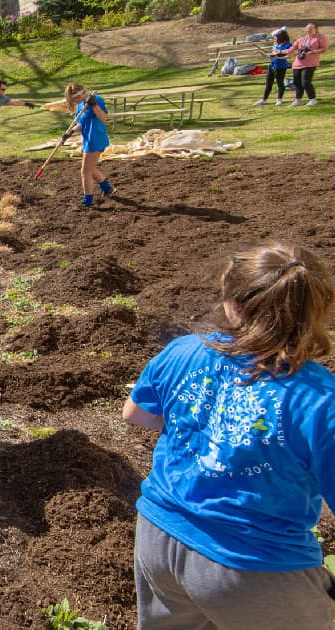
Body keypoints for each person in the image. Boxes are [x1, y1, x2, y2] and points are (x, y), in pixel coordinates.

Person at [124, 242, 335, 630]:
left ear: (232, 304)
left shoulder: (183, 351)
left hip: (158, 536)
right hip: (255, 564)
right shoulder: (320, 399)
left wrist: (206, 432)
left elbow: (135, 413)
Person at [63, 83, 114, 208]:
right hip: (88, 139)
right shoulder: (81, 104)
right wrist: (70, 132)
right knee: (90, 169)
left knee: (85, 171)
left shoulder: (96, 100)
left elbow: (103, 118)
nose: (73, 102)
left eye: (73, 99)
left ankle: (88, 201)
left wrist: (95, 105)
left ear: (79, 95)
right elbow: (81, 123)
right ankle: (107, 189)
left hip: (95, 138)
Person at [286, 23, 328, 106]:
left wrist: (312, 52)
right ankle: (298, 100)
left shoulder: (320, 37)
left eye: (310, 28)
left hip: (310, 64)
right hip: (297, 64)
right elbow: (291, 49)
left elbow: (324, 49)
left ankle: (313, 99)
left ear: (315, 29)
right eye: (307, 28)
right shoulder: (301, 39)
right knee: (297, 82)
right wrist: (278, 52)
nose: (308, 30)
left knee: (305, 82)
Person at [255, 28, 292, 106]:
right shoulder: (276, 44)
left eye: (276, 37)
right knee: (268, 83)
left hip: (281, 67)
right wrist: (265, 55)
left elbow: (289, 56)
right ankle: (264, 99)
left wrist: (279, 57)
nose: (274, 38)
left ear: (281, 37)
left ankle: (279, 99)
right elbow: (273, 54)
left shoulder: (288, 44)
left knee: (280, 83)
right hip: (272, 66)